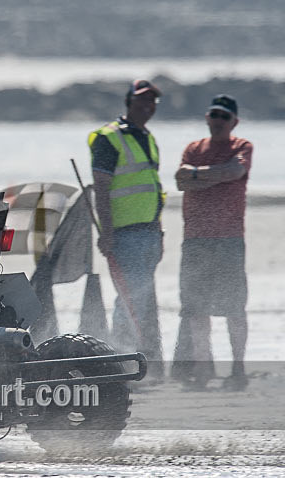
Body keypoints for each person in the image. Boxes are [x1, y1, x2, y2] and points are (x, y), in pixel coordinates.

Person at [171, 94, 252, 390]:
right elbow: (180, 180)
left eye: (224, 117)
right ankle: (204, 370)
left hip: (229, 239)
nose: (218, 121)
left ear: (234, 121)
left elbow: (236, 171)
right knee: (195, 309)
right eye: (214, 115)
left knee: (234, 308)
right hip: (194, 240)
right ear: (207, 117)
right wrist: (211, 175)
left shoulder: (241, 146)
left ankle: (239, 369)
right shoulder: (193, 148)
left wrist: (198, 175)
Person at [88, 79, 165, 377]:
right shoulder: (110, 137)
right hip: (123, 234)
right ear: (129, 101)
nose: (149, 106)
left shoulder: (147, 137)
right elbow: (101, 188)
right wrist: (106, 232)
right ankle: (120, 362)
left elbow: (153, 188)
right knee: (130, 300)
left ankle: (138, 360)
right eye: (143, 100)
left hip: (148, 233)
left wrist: (158, 229)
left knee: (141, 300)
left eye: (153, 101)